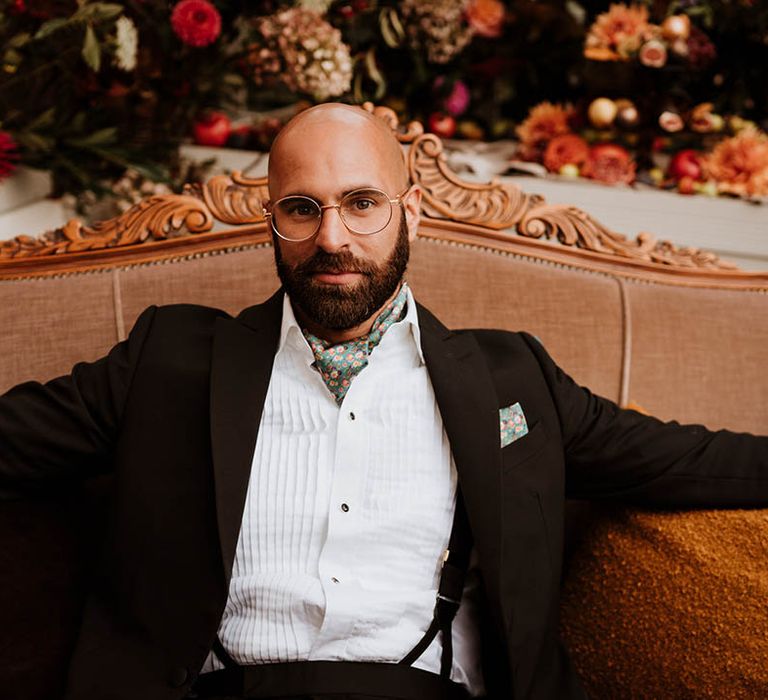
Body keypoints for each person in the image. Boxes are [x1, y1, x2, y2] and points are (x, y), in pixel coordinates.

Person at [0, 103, 766, 700]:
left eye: (361, 202)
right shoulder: (169, 357)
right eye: (302, 208)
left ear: (411, 213)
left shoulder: (511, 378)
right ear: (272, 220)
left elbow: (692, 460)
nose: (332, 236)